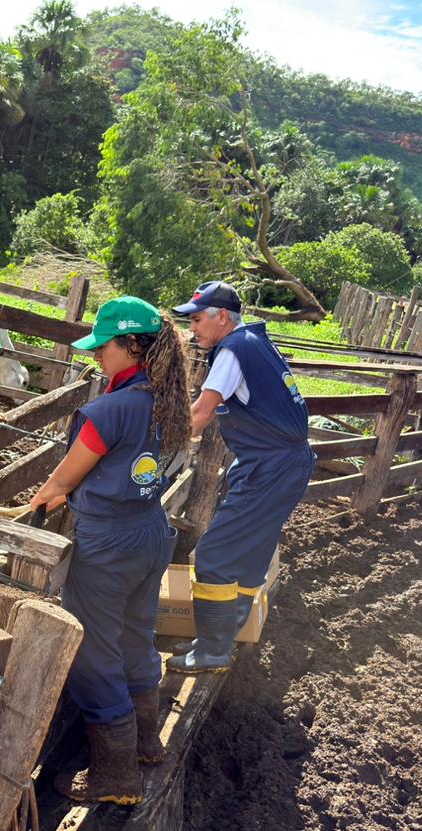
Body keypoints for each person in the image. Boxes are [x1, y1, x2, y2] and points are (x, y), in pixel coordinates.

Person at [28, 296, 191, 806]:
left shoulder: (106, 410)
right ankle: (146, 741)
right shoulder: (169, 402)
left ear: (133, 346)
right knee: (136, 633)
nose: (97, 355)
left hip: (108, 544)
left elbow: (64, 480)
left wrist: (39, 501)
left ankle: (117, 777)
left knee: (94, 653)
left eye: (105, 346)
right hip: (150, 530)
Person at [167, 281, 314, 675]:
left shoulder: (232, 350)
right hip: (283, 463)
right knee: (249, 558)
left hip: (272, 467)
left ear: (220, 317)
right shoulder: (255, 344)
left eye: (197, 320)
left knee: (214, 556)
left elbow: (200, 415)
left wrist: (155, 442)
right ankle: (219, 641)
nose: (193, 329)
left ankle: (213, 651)